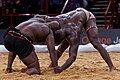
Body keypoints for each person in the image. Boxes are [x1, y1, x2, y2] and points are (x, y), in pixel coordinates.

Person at [46, 8, 116, 73]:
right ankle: (53, 64)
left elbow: (73, 57)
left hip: (88, 17)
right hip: (74, 16)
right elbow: (43, 18)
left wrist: (61, 69)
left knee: (95, 42)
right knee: (63, 46)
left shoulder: (74, 33)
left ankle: (111, 66)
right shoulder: (56, 21)